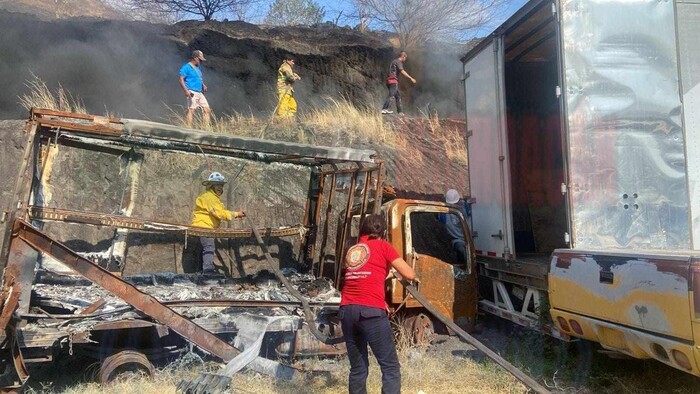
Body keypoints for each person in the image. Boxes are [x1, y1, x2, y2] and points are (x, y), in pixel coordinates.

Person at [340, 214, 417, 394]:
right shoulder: (383, 246)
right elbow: (409, 274)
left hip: (347, 311)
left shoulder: (353, 250)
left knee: (358, 368)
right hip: (370, 312)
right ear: (382, 232)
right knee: (390, 368)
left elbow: (364, 275)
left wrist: (385, 273)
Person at [191, 172, 246, 274]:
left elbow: (219, 212)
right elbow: (219, 213)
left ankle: (200, 271)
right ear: (211, 186)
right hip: (204, 227)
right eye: (217, 185)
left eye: (221, 185)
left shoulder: (210, 197)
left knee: (202, 249)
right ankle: (207, 271)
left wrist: (236, 214)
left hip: (200, 226)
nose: (220, 188)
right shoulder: (210, 197)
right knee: (209, 247)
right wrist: (236, 214)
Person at [179, 50, 210, 127]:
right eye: (200, 59)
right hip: (191, 91)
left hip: (199, 92)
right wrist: (186, 91)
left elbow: (198, 78)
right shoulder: (186, 67)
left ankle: (206, 128)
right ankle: (188, 128)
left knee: (207, 109)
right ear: (195, 58)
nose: (201, 61)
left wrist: (203, 84)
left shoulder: (198, 67)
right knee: (191, 110)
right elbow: (181, 79)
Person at [381, 51, 416, 115]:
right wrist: (411, 78)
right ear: (403, 56)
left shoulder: (394, 62)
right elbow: (402, 71)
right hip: (393, 81)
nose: (405, 60)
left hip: (390, 81)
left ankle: (400, 112)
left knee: (398, 96)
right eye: (405, 58)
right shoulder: (398, 62)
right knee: (391, 95)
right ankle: (384, 109)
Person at [442, 189, 471, 264]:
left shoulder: (464, 206)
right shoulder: (444, 213)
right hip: (457, 239)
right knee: (461, 251)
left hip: (469, 237)